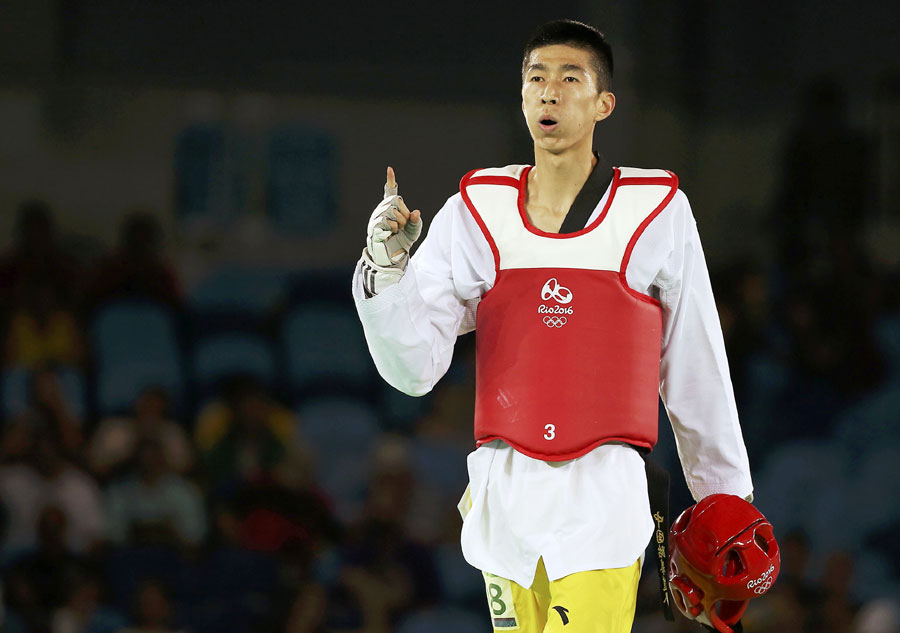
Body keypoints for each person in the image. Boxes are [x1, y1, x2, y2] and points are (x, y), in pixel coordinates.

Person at [352, 19, 753, 633]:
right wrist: (386, 272)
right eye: (535, 78)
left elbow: (694, 358)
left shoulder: (657, 210)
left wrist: (723, 494)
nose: (549, 92)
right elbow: (412, 369)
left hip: (603, 497)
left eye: (570, 79)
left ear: (604, 103)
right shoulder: (474, 211)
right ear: (520, 95)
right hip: (504, 497)